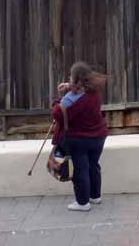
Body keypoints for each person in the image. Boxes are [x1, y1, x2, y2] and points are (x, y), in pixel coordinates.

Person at [51, 61, 108, 212]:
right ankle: (95, 196)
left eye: (71, 77)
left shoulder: (69, 98)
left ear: (77, 80)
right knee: (93, 165)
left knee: (80, 169)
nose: (69, 79)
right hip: (98, 136)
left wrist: (57, 101)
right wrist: (69, 87)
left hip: (79, 139)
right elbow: (81, 92)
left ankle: (82, 203)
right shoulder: (94, 92)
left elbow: (57, 113)